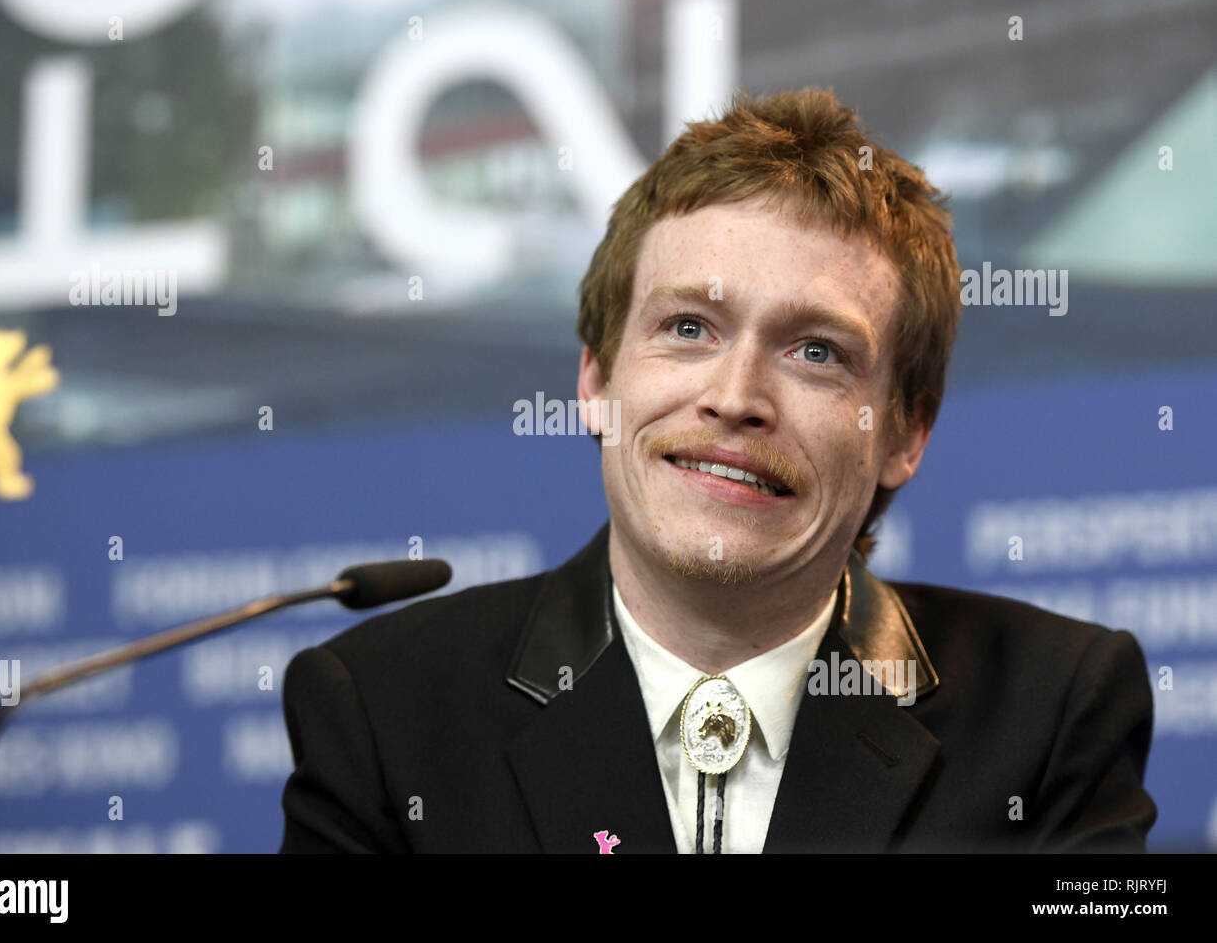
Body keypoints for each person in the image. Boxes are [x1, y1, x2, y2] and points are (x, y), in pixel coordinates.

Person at [279, 89, 1156, 853]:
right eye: (690, 327)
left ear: (905, 432)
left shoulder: (1051, 710)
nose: (737, 398)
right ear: (595, 380)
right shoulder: (384, 713)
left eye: (816, 351)